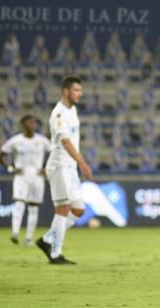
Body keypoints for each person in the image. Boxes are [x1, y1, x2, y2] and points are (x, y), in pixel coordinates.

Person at [35, 76, 93, 264]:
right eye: (76, 90)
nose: (80, 93)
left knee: (79, 210)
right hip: (59, 165)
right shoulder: (58, 114)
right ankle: (55, 254)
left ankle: (47, 239)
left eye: (80, 90)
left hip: (70, 167)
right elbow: (66, 142)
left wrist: (77, 164)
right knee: (63, 208)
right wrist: (83, 163)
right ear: (65, 91)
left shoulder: (73, 110)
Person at [0, 115, 50, 247]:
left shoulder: (42, 141)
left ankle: (29, 238)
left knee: (33, 207)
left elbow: (54, 154)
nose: (32, 125)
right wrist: (10, 168)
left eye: (33, 122)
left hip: (37, 176)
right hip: (21, 175)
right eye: (29, 122)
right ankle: (15, 232)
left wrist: (47, 169)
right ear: (22, 125)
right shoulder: (16, 141)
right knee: (19, 203)